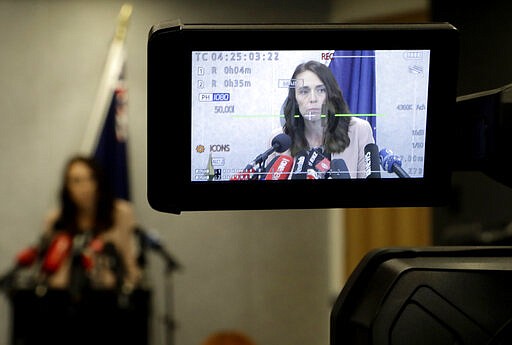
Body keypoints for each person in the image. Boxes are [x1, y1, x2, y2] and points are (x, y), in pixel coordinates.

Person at [41, 155, 141, 293]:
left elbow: (131, 266)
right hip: (64, 299)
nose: (85, 187)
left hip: (110, 297)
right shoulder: (56, 220)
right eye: (77, 181)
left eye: (91, 179)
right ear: (67, 187)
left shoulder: (120, 214)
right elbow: (49, 272)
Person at [279, 60, 375, 178]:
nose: (313, 99)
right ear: (294, 98)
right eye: (304, 91)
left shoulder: (359, 131)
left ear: (331, 95)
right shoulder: (279, 142)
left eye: (321, 90)